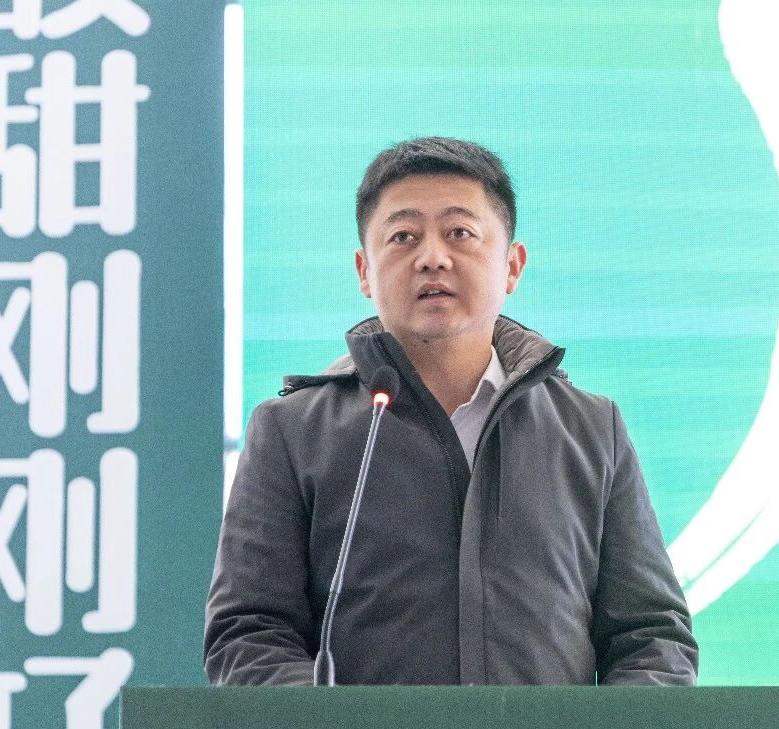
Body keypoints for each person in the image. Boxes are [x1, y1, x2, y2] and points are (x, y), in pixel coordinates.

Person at [204, 137, 697, 686]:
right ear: (364, 271)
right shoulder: (293, 432)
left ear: (512, 266)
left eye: (460, 233)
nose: (432, 258)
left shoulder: (590, 429)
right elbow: (249, 635)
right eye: (403, 237)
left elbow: (652, 639)